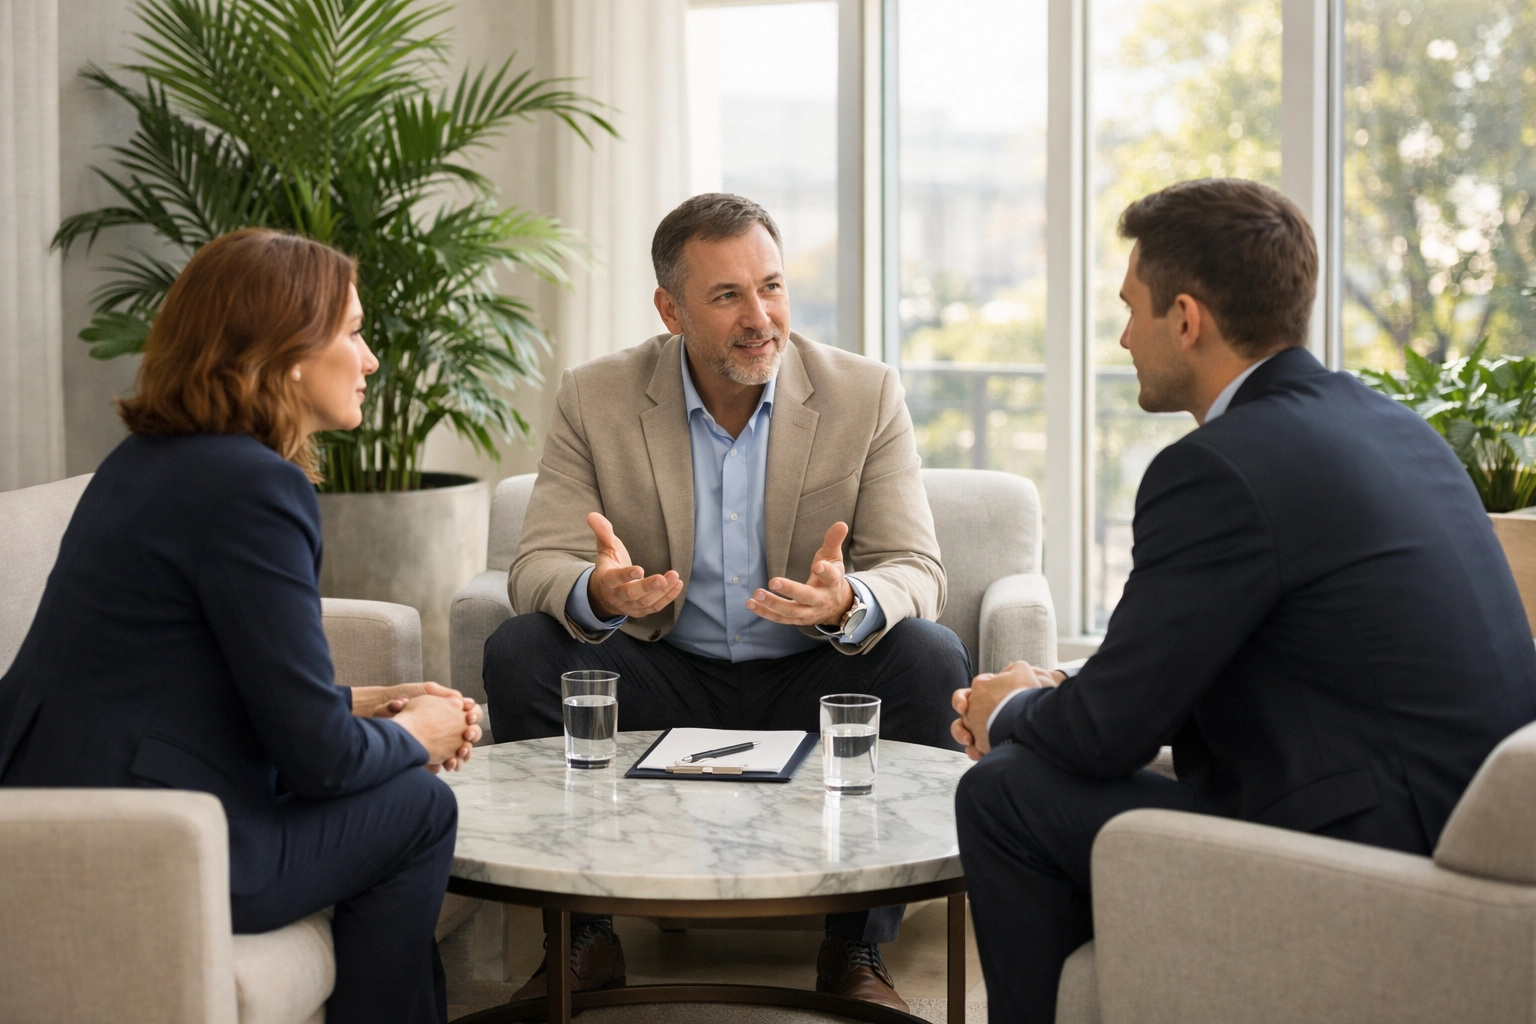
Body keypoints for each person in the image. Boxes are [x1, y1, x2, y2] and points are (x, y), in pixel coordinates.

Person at [950, 178, 1536, 1024]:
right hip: (1451, 834)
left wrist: (1011, 709)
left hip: (1374, 866)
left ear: (1186, 319)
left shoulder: (1218, 466)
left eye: (1131, 308)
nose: (1122, 335)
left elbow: (1107, 733)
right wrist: (1068, 698)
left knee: (1005, 791)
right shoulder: (1393, 427)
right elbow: (1202, 664)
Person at [483, 192, 971, 1012]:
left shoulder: (863, 392)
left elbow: (917, 566)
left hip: (812, 675)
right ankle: (585, 937)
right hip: (663, 669)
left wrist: (846, 600)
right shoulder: (596, 396)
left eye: (772, 287)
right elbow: (536, 563)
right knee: (522, 650)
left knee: (932, 657)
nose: (760, 318)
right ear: (669, 309)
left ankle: (855, 943)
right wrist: (598, 590)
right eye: (727, 296)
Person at [0, 229, 484, 1024]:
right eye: (354, 333)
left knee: (395, 786)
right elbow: (319, 762)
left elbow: (188, 668)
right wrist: (421, 733)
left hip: (67, 801)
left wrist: (366, 701)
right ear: (288, 353)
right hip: (157, 842)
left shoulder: (148, 459)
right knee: (419, 808)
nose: (369, 360)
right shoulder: (255, 489)